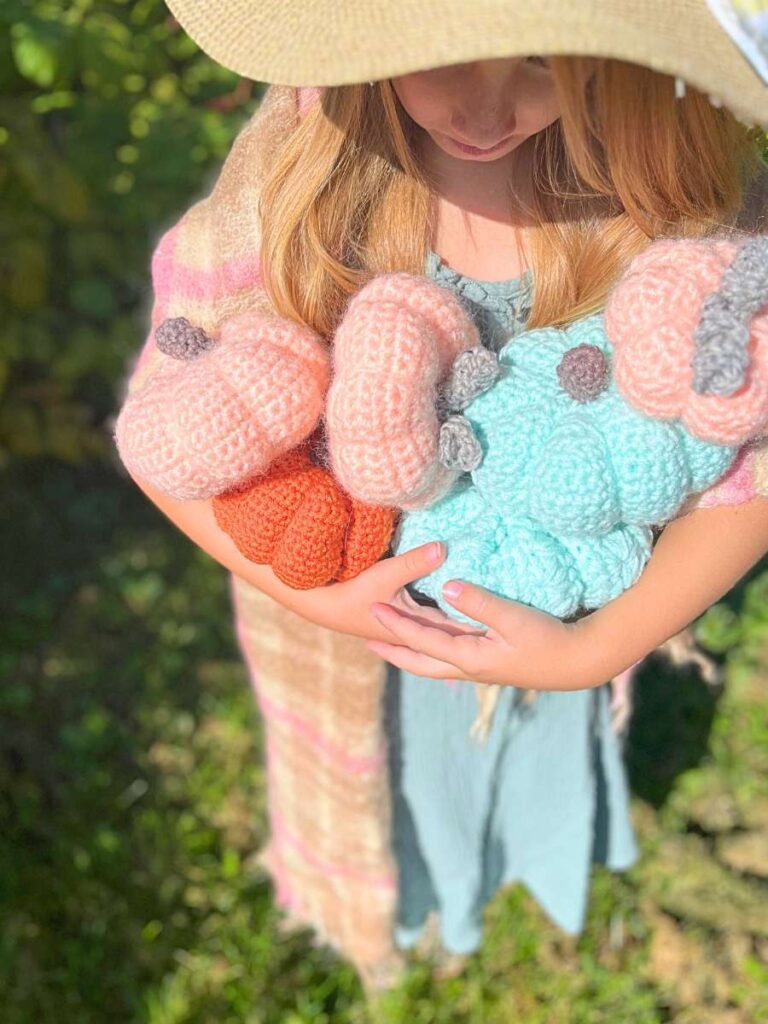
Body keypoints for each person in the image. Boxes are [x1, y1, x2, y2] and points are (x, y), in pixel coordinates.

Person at [113, 0, 768, 994]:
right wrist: (313, 596)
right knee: (392, 785)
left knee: (515, 758)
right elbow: (168, 432)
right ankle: (411, 910)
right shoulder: (300, 182)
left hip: (554, 620)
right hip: (358, 636)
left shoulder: (667, 209)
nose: (486, 109)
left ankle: (502, 877)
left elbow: (745, 474)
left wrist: (595, 648)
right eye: (450, 58)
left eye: (542, 64)